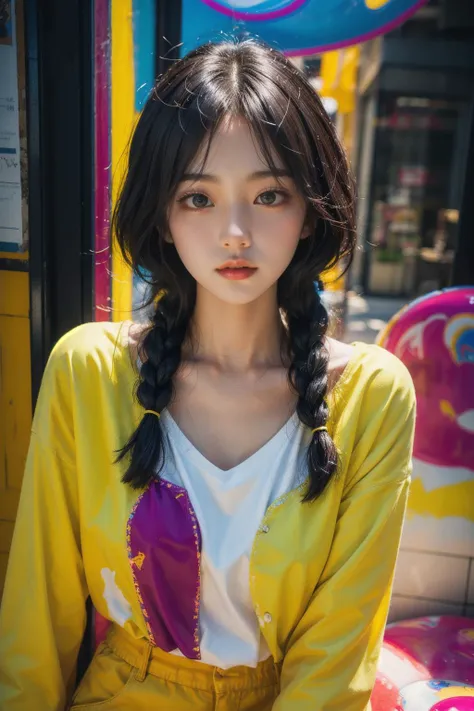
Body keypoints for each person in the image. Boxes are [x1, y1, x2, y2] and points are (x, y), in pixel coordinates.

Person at [0, 40, 415, 711]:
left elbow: (336, 663)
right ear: (162, 215)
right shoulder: (88, 372)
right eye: (198, 196)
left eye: (269, 193)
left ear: (309, 209)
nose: (233, 232)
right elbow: (35, 619)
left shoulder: (372, 395)